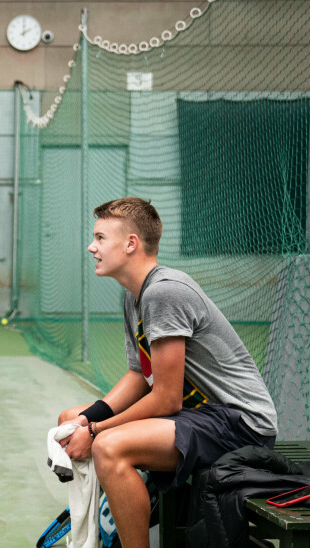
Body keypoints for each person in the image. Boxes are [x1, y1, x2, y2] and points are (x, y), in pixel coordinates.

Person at [56, 197, 278, 547]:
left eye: (100, 238)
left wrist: (96, 430)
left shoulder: (164, 292)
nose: (91, 247)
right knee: (70, 418)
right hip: (199, 417)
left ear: (131, 244)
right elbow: (139, 376)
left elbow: (166, 399)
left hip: (240, 424)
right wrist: (88, 419)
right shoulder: (134, 294)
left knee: (109, 447)